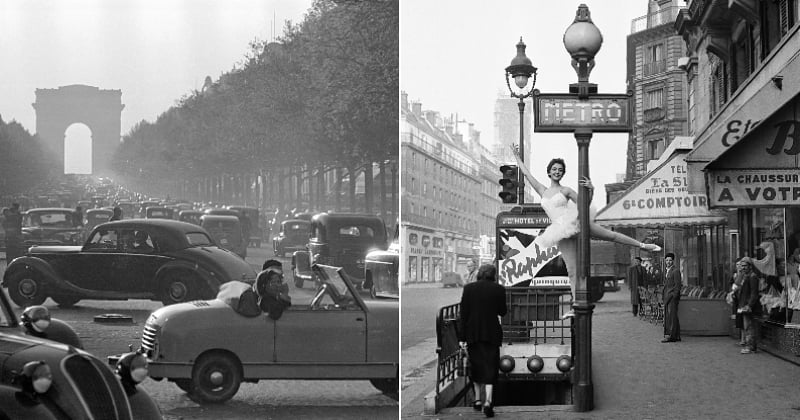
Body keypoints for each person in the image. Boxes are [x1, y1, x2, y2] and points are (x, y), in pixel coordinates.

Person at [511, 150, 661, 307]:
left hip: (576, 222)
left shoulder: (566, 190)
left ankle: (644, 245)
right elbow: (527, 175)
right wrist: (516, 156)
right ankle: (576, 305)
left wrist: (591, 189)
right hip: (559, 231)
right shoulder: (542, 190)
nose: (557, 172)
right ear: (549, 172)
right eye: (554, 169)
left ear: (562, 174)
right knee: (572, 270)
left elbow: (584, 204)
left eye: (560, 170)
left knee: (611, 236)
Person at [457, 264, 507, 418]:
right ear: (493, 275)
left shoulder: (469, 289)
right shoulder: (499, 289)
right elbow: (502, 311)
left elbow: (463, 314)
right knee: (491, 367)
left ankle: (478, 400)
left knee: (476, 366)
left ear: (479, 274)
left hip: (473, 333)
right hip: (492, 334)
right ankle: (489, 402)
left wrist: (461, 337)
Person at [737, 257, 762, 354]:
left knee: (749, 326)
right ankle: (751, 346)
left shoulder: (752, 277)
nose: (743, 268)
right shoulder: (745, 276)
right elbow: (737, 285)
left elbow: (754, 293)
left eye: (745, 266)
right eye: (742, 266)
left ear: (750, 266)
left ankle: (750, 347)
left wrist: (749, 305)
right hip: (744, 304)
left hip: (749, 306)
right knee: (747, 326)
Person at [662, 252, 682, 343]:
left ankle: (672, 336)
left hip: (672, 297)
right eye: (667, 260)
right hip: (668, 297)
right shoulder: (668, 270)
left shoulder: (676, 271)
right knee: (671, 316)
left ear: (673, 261)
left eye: (670, 260)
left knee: (672, 317)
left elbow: (678, 286)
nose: (668, 262)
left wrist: (674, 296)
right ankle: (676, 335)